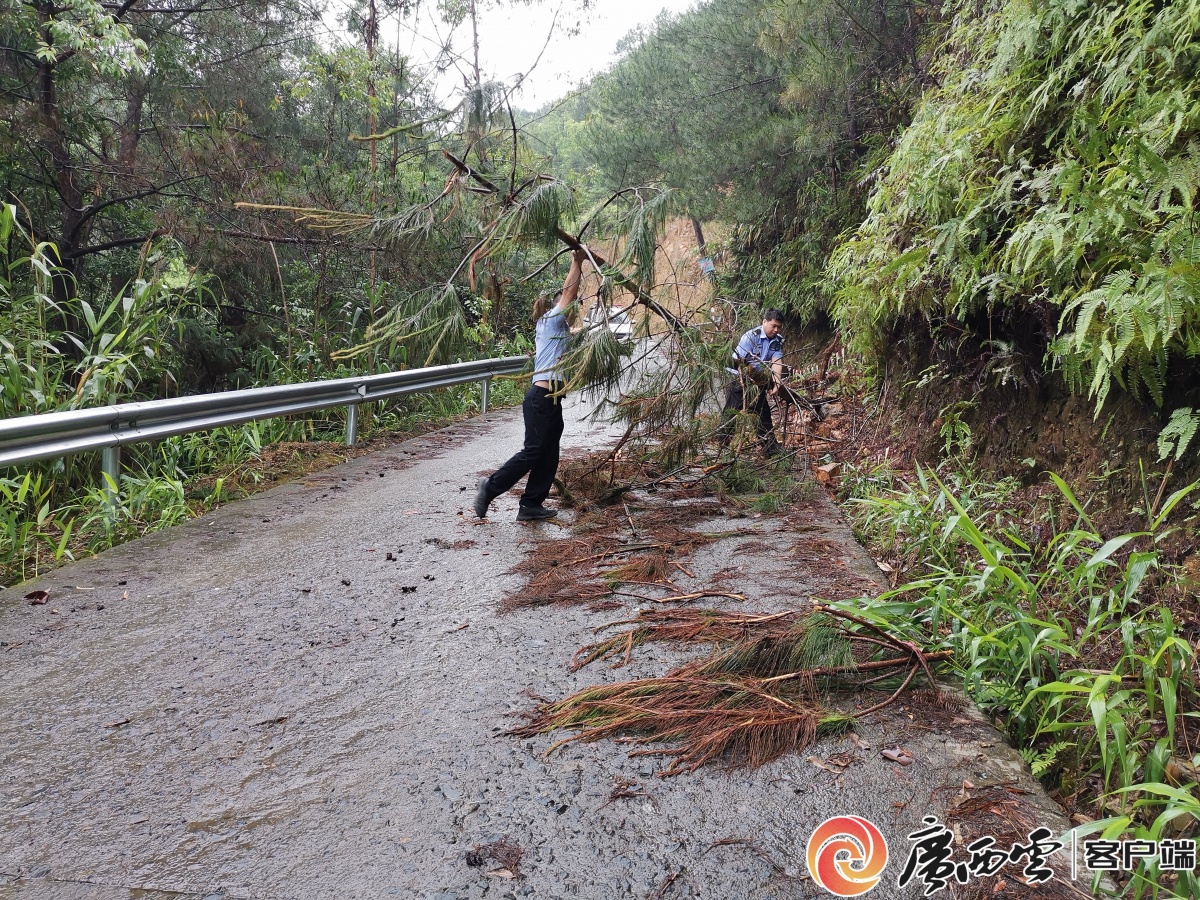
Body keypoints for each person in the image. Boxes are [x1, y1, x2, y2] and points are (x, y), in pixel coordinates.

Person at [473, 248, 588, 521]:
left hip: (552, 400)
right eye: (570, 306)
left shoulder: (560, 330)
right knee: (534, 451)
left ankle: (530, 505)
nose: (574, 310)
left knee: (549, 454)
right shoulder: (552, 320)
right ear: (560, 307)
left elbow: (575, 329)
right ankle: (490, 487)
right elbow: (568, 292)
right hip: (540, 398)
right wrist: (577, 261)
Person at [720, 309, 785, 457]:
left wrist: (777, 383)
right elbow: (739, 362)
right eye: (773, 326)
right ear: (764, 322)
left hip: (757, 379)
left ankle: (770, 449)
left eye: (779, 327)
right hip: (739, 377)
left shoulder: (778, 340)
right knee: (732, 411)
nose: (776, 330)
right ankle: (722, 444)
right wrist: (751, 378)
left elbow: (776, 361)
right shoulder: (750, 336)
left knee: (762, 413)